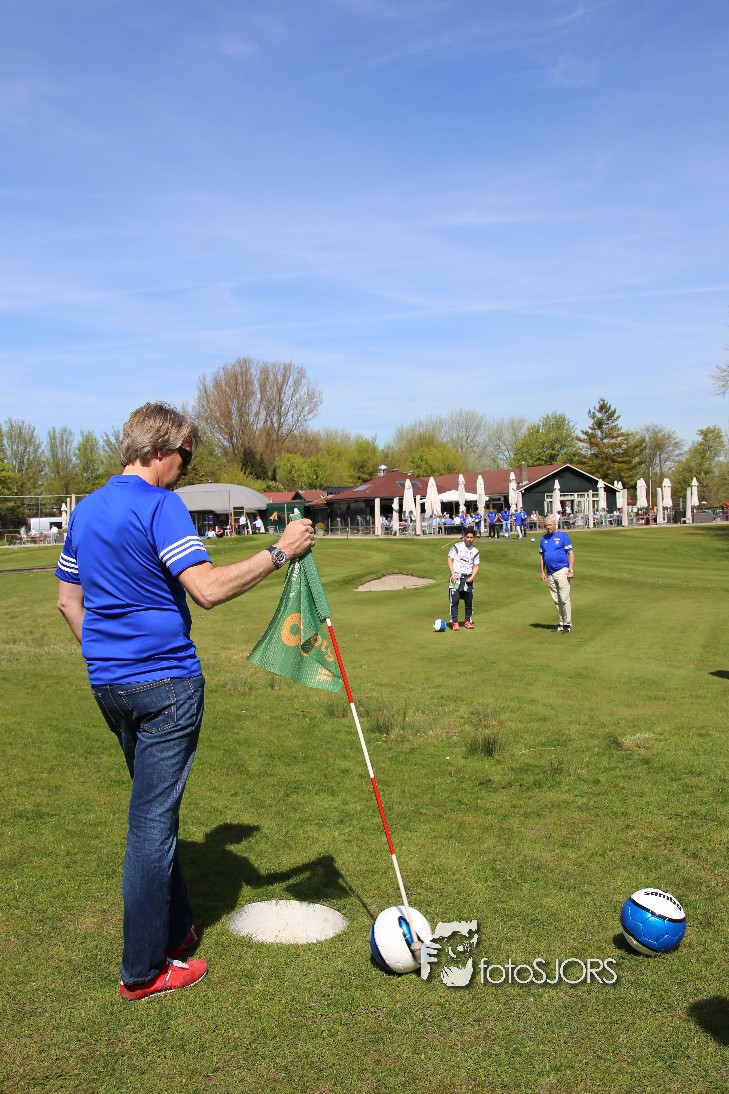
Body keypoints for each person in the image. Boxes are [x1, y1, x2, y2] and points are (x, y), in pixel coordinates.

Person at [55, 402, 315, 1002]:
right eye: (186, 456)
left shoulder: (85, 510)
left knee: (157, 815)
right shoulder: (160, 505)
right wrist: (280, 552)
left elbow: (69, 602)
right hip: (166, 685)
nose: (186, 468)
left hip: (110, 686)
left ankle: (177, 929)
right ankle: (143, 971)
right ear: (158, 450)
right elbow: (207, 590)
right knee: (150, 826)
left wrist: (107, 658)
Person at [539, 515, 574, 634]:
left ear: (555, 525)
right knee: (556, 599)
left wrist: (570, 570)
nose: (548, 527)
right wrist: (542, 571)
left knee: (564, 598)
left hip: (562, 570)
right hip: (550, 572)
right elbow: (542, 556)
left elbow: (571, 553)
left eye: (550, 525)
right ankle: (561, 622)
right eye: (546, 525)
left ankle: (567, 624)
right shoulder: (543, 539)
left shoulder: (562, 536)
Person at [448, 528, 480, 630]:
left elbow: (476, 566)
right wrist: (453, 574)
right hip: (456, 577)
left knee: (469, 602)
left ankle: (467, 621)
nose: (469, 539)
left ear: (474, 538)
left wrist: (472, 577)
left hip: (468, 578)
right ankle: (455, 622)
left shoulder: (475, 551)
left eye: (471, 537)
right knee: (454, 600)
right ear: (464, 537)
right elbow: (450, 560)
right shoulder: (456, 547)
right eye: (467, 537)